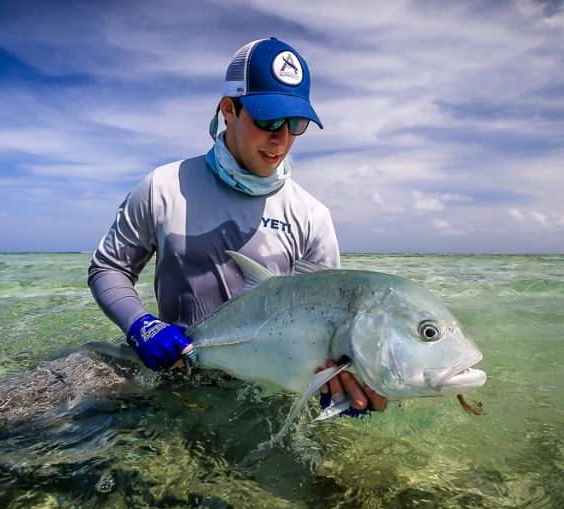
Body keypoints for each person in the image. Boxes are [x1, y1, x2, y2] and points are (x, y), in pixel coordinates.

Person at [88, 37, 387, 415]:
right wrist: (140, 324)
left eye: (296, 123)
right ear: (228, 109)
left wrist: (348, 386)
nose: (281, 138)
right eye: (267, 120)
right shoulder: (162, 188)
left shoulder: (312, 215)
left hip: (263, 402)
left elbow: (328, 323)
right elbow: (108, 268)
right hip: (176, 381)